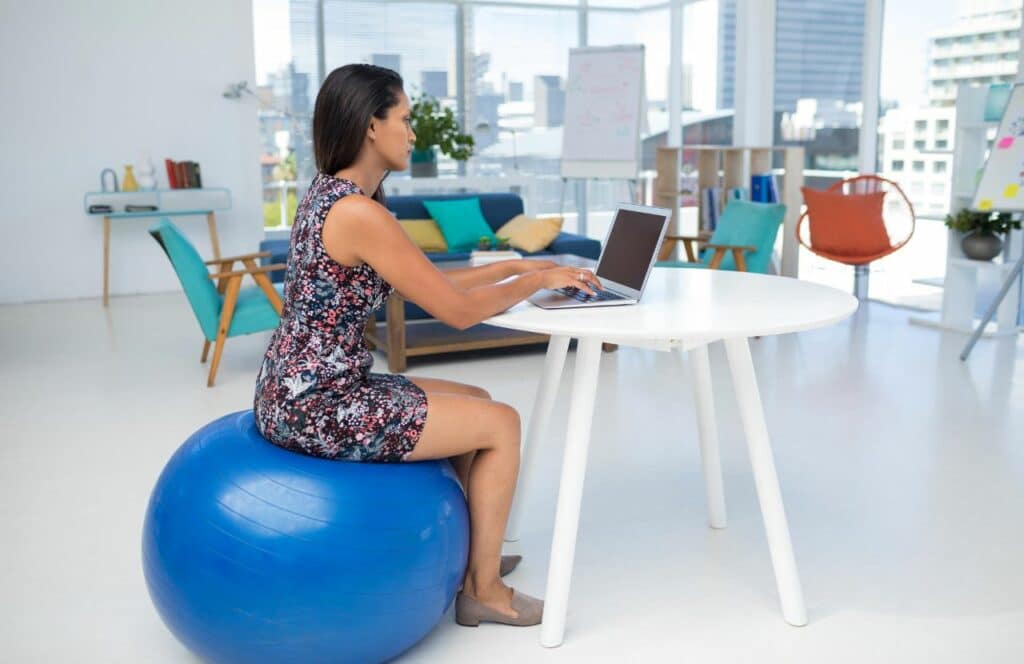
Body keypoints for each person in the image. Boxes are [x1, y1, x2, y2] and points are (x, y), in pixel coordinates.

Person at [254, 63, 602, 627]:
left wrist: (517, 266)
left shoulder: (335, 197)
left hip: (303, 389)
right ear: (372, 125)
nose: (413, 133)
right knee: (501, 423)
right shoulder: (357, 212)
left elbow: (427, 284)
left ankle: (474, 557)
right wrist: (533, 283)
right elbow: (457, 312)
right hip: (318, 404)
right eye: (406, 118)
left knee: (475, 395)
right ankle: (483, 593)